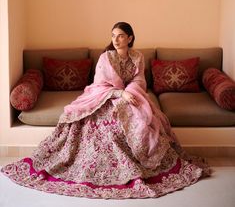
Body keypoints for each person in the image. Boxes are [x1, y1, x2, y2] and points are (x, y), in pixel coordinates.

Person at [1, 22, 210, 199]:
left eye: (120, 36)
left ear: (130, 38)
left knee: (144, 116)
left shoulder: (138, 57)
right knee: (108, 120)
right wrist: (120, 95)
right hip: (105, 96)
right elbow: (100, 83)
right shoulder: (106, 58)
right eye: (113, 36)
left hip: (132, 95)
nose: (116, 40)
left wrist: (130, 94)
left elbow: (139, 81)